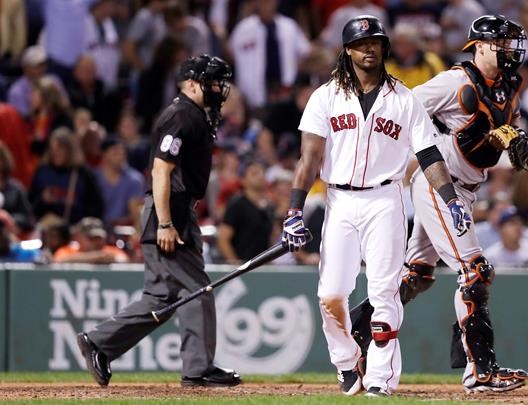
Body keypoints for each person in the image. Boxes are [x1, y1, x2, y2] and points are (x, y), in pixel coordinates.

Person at [282, 15, 468, 397]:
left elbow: (430, 154)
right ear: (348, 50)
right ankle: (347, 360)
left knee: (384, 290)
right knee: (330, 294)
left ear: (384, 48)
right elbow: (309, 159)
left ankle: (381, 378)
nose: (369, 49)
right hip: (339, 200)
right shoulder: (326, 96)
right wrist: (294, 211)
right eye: (361, 44)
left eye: (376, 43)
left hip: (386, 198)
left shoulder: (404, 98)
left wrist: (451, 199)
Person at [349, 15, 528, 393]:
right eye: (503, 43)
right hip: (439, 183)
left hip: (467, 186)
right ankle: (480, 371)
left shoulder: (506, 88)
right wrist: (419, 147)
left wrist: (510, 142)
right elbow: (404, 107)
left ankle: (357, 332)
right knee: (475, 270)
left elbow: (489, 138)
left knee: (415, 275)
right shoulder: (456, 81)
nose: (511, 51)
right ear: (479, 46)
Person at [76, 54, 241, 388]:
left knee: (162, 298)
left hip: (174, 207)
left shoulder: (191, 113)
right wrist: (166, 223)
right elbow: (161, 169)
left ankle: (99, 343)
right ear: (192, 83)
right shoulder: (181, 114)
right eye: (212, 82)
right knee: (197, 289)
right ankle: (198, 370)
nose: (218, 89)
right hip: (171, 208)